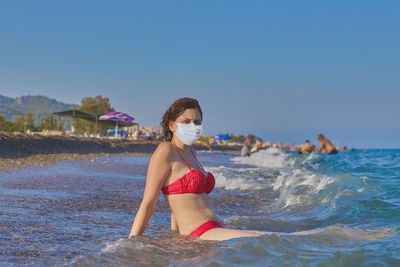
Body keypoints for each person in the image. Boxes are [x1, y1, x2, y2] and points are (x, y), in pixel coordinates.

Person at [129, 97, 272, 241]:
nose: (193, 126)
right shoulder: (165, 150)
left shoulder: (192, 153)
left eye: (197, 122)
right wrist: (132, 242)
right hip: (198, 232)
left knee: (272, 240)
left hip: (218, 227)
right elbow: (149, 201)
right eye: (186, 121)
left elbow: (177, 200)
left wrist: (175, 235)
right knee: (273, 238)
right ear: (172, 126)